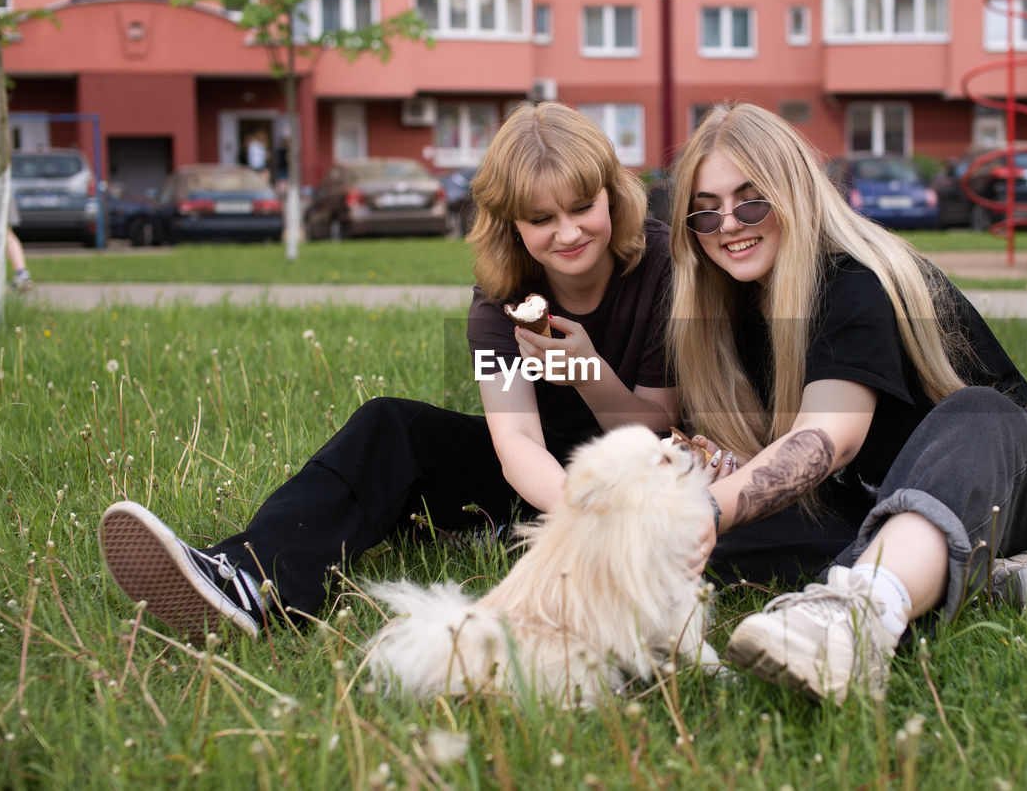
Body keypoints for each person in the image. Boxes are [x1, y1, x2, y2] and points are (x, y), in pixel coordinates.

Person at [99, 102, 678, 639]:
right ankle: (250, 579)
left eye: (582, 208)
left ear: (612, 194)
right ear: (511, 226)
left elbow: (658, 425)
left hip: (642, 474)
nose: (569, 232)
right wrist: (578, 514)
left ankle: (494, 530)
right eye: (542, 218)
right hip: (544, 481)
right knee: (389, 425)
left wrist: (588, 372)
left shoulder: (661, 267)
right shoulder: (494, 302)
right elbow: (517, 442)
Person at [668, 103, 1027, 704]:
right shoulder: (727, 308)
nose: (729, 224)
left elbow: (826, 441)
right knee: (726, 548)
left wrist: (700, 512)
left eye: (751, 200)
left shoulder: (850, 280)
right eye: (705, 211)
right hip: (872, 502)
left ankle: (857, 620)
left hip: (1008, 473)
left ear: (795, 193)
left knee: (977, 411)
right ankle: (984, 581)